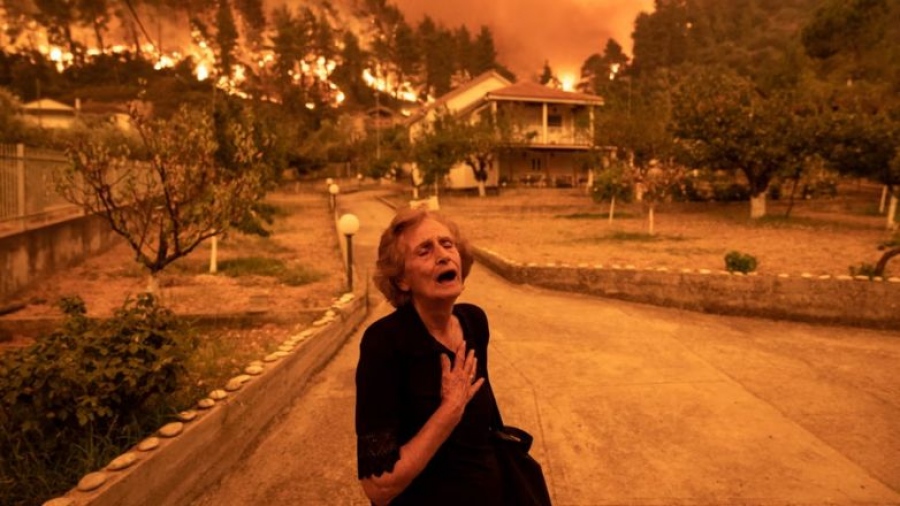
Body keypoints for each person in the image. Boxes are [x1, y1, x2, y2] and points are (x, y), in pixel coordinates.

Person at [355, 207, 504, 505]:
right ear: (402, 279)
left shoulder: (474, 322)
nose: (443, 255)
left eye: (447, 244)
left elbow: (484, 432)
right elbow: (378, 486)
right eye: (424, 250)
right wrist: (449, 411)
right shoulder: (384, 344)